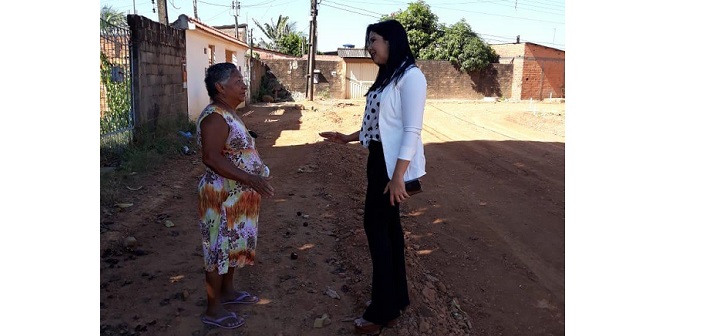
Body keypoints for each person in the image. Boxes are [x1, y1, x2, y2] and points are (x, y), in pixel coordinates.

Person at [319, 19, 427, 335]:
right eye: (368, 41)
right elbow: (378, 126)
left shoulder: (412, 77)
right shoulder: (388, 77)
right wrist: (347, 137)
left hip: (391, 166)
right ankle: (395, 302)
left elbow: (411, 130)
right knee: (389, 230)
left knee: (377, 228)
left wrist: (397, 177)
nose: (370, 47)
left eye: (375, 40)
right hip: (378, 160)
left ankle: (381, 310)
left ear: (392, 40)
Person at [196, 62, 275, 329]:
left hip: (238, 195)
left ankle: (228, 292)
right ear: (220, 87)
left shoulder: (229, 112)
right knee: (217, 248)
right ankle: (213, 309)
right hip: (221, 195)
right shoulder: (214, 117)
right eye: (238, 81)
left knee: (231, 245)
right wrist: (250, 177)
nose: (244, 85)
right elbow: (211, 157)